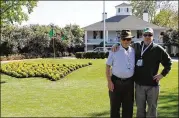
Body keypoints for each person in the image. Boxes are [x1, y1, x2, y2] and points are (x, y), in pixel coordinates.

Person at [111, 27, 172, 118]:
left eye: (150, 35)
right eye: (145, 35)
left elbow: (169, 63)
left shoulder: (158, 49)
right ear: (142, 36)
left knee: (152, 109)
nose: (147, 37)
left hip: (153, 85)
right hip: (139, 85)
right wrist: (116, 44)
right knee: (140, 110)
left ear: (153, 36)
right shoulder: (136, 46)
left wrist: (162, 74)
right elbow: (124, 44)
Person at [106, 30, 135, 118]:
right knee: (115, 109)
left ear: (131, 40)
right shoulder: (114, 50)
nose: (126, 41)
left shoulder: (134, 50)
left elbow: (146, 41)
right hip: (116, 83)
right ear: (120, 39)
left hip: (129, 83)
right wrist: (109, 81)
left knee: (128, 109)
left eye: (128, 39)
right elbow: (108, 67)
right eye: (124, 39)